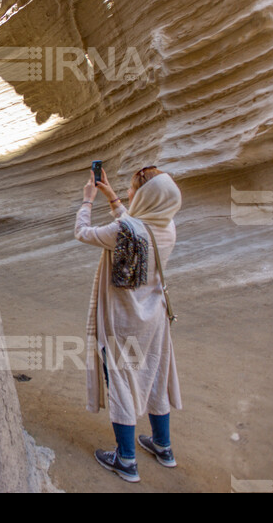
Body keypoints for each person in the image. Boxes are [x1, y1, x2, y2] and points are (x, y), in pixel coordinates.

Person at [74, 165, 182, 483]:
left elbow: (83, 233)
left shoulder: (125, 231)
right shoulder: (167, 226)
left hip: (123, 320)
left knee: (121, 381)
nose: (129, 194)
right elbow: (138, 228)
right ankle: (163, 447)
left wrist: (87, 201)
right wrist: (112, 198)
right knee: (155, 377)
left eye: (133, 190)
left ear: (146, 196)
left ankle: (126, 459)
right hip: (155, 318)